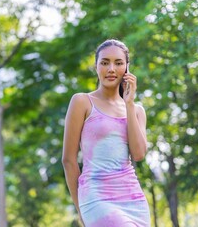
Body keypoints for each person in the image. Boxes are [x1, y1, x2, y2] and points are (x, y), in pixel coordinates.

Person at [62, 39, 150, 227]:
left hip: (133, 198)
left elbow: (139, 154)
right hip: (96, 196)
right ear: (96, 67)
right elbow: (68, 160)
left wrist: (129, 103)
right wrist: (81, 210)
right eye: (104, 62)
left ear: (127, 68)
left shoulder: (136, 110)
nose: (111, 68)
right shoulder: (82, 102)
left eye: (118, 63)